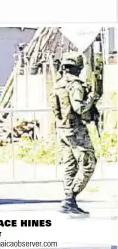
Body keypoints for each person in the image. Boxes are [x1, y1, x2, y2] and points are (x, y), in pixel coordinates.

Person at [51, 52, 97, 216]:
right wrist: (91, 98)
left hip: (63, 129)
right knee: (89, 162)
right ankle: (70, 199)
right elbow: (79, 108)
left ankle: (69, 200)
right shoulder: (75, 85)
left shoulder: (58, 84)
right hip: (75, 129)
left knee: (70, 165)